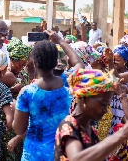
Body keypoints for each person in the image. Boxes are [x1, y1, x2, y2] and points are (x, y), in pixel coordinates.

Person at [12, 30, 84, 161]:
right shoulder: (68, 82)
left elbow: (18, 129)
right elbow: (79, 64)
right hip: (61, 152)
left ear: (34, 62)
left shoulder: (27, 93)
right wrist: (61, 41)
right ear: (56, 61)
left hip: (34, 154)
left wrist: (15, 107)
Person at [53, 69, 128, 161]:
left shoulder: (89, 128)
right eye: (103, 104)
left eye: (107, 106)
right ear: (84, 98)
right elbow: (76, 159)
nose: (105, 110)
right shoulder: (68, 126)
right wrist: (122, 134)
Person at [1, 37, 32, 160]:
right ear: (12, 60)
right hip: (6, 120)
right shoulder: (3, 74)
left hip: (20, 118)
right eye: (19, 64)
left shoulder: (23, 74)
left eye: (24, 65)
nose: (21, 67)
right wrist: (13, 90)